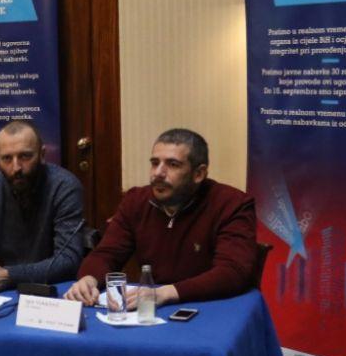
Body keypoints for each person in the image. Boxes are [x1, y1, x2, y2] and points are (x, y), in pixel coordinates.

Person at [65, 128, 257, 307]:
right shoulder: (136, 201)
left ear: (198, 174)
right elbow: (107, 253)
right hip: (153, 308)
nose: (158, 173)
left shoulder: (231, 204)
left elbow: (233, 272)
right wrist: (89, 279)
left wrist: (167, 293)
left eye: (172, 165)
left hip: (212, 305)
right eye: (155, 163)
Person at [0, 120, 85, 292]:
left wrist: (9, 275)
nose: (16, 167)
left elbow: (68, 261)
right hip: (4, 289)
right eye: (7, 158)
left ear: (42, 154)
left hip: (56, 290)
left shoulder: (64, 187)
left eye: (25, 156)